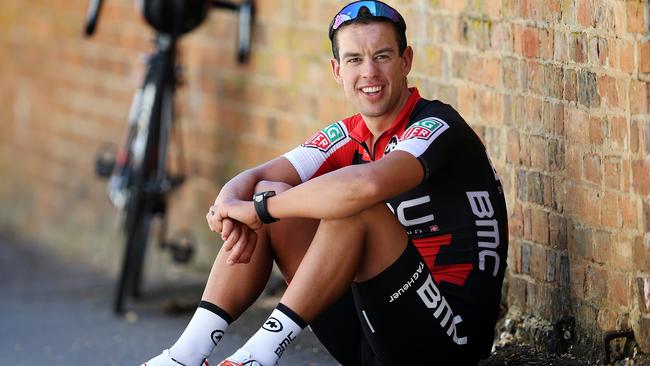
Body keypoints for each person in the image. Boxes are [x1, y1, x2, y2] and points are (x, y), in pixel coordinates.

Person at [142, 1, 508, 365]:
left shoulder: (436, 125)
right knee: (268, 192)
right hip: (373, 336)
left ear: (405, 61)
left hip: (447, 341)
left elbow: (364, 186)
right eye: (354, 60)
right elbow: (254, 179)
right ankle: (184, 357)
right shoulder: (348, 134)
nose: (369, 72)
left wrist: (259, 210)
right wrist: (226, 205)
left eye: (382, 56)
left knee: (350, 209)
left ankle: (256, 357)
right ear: (336, 70)